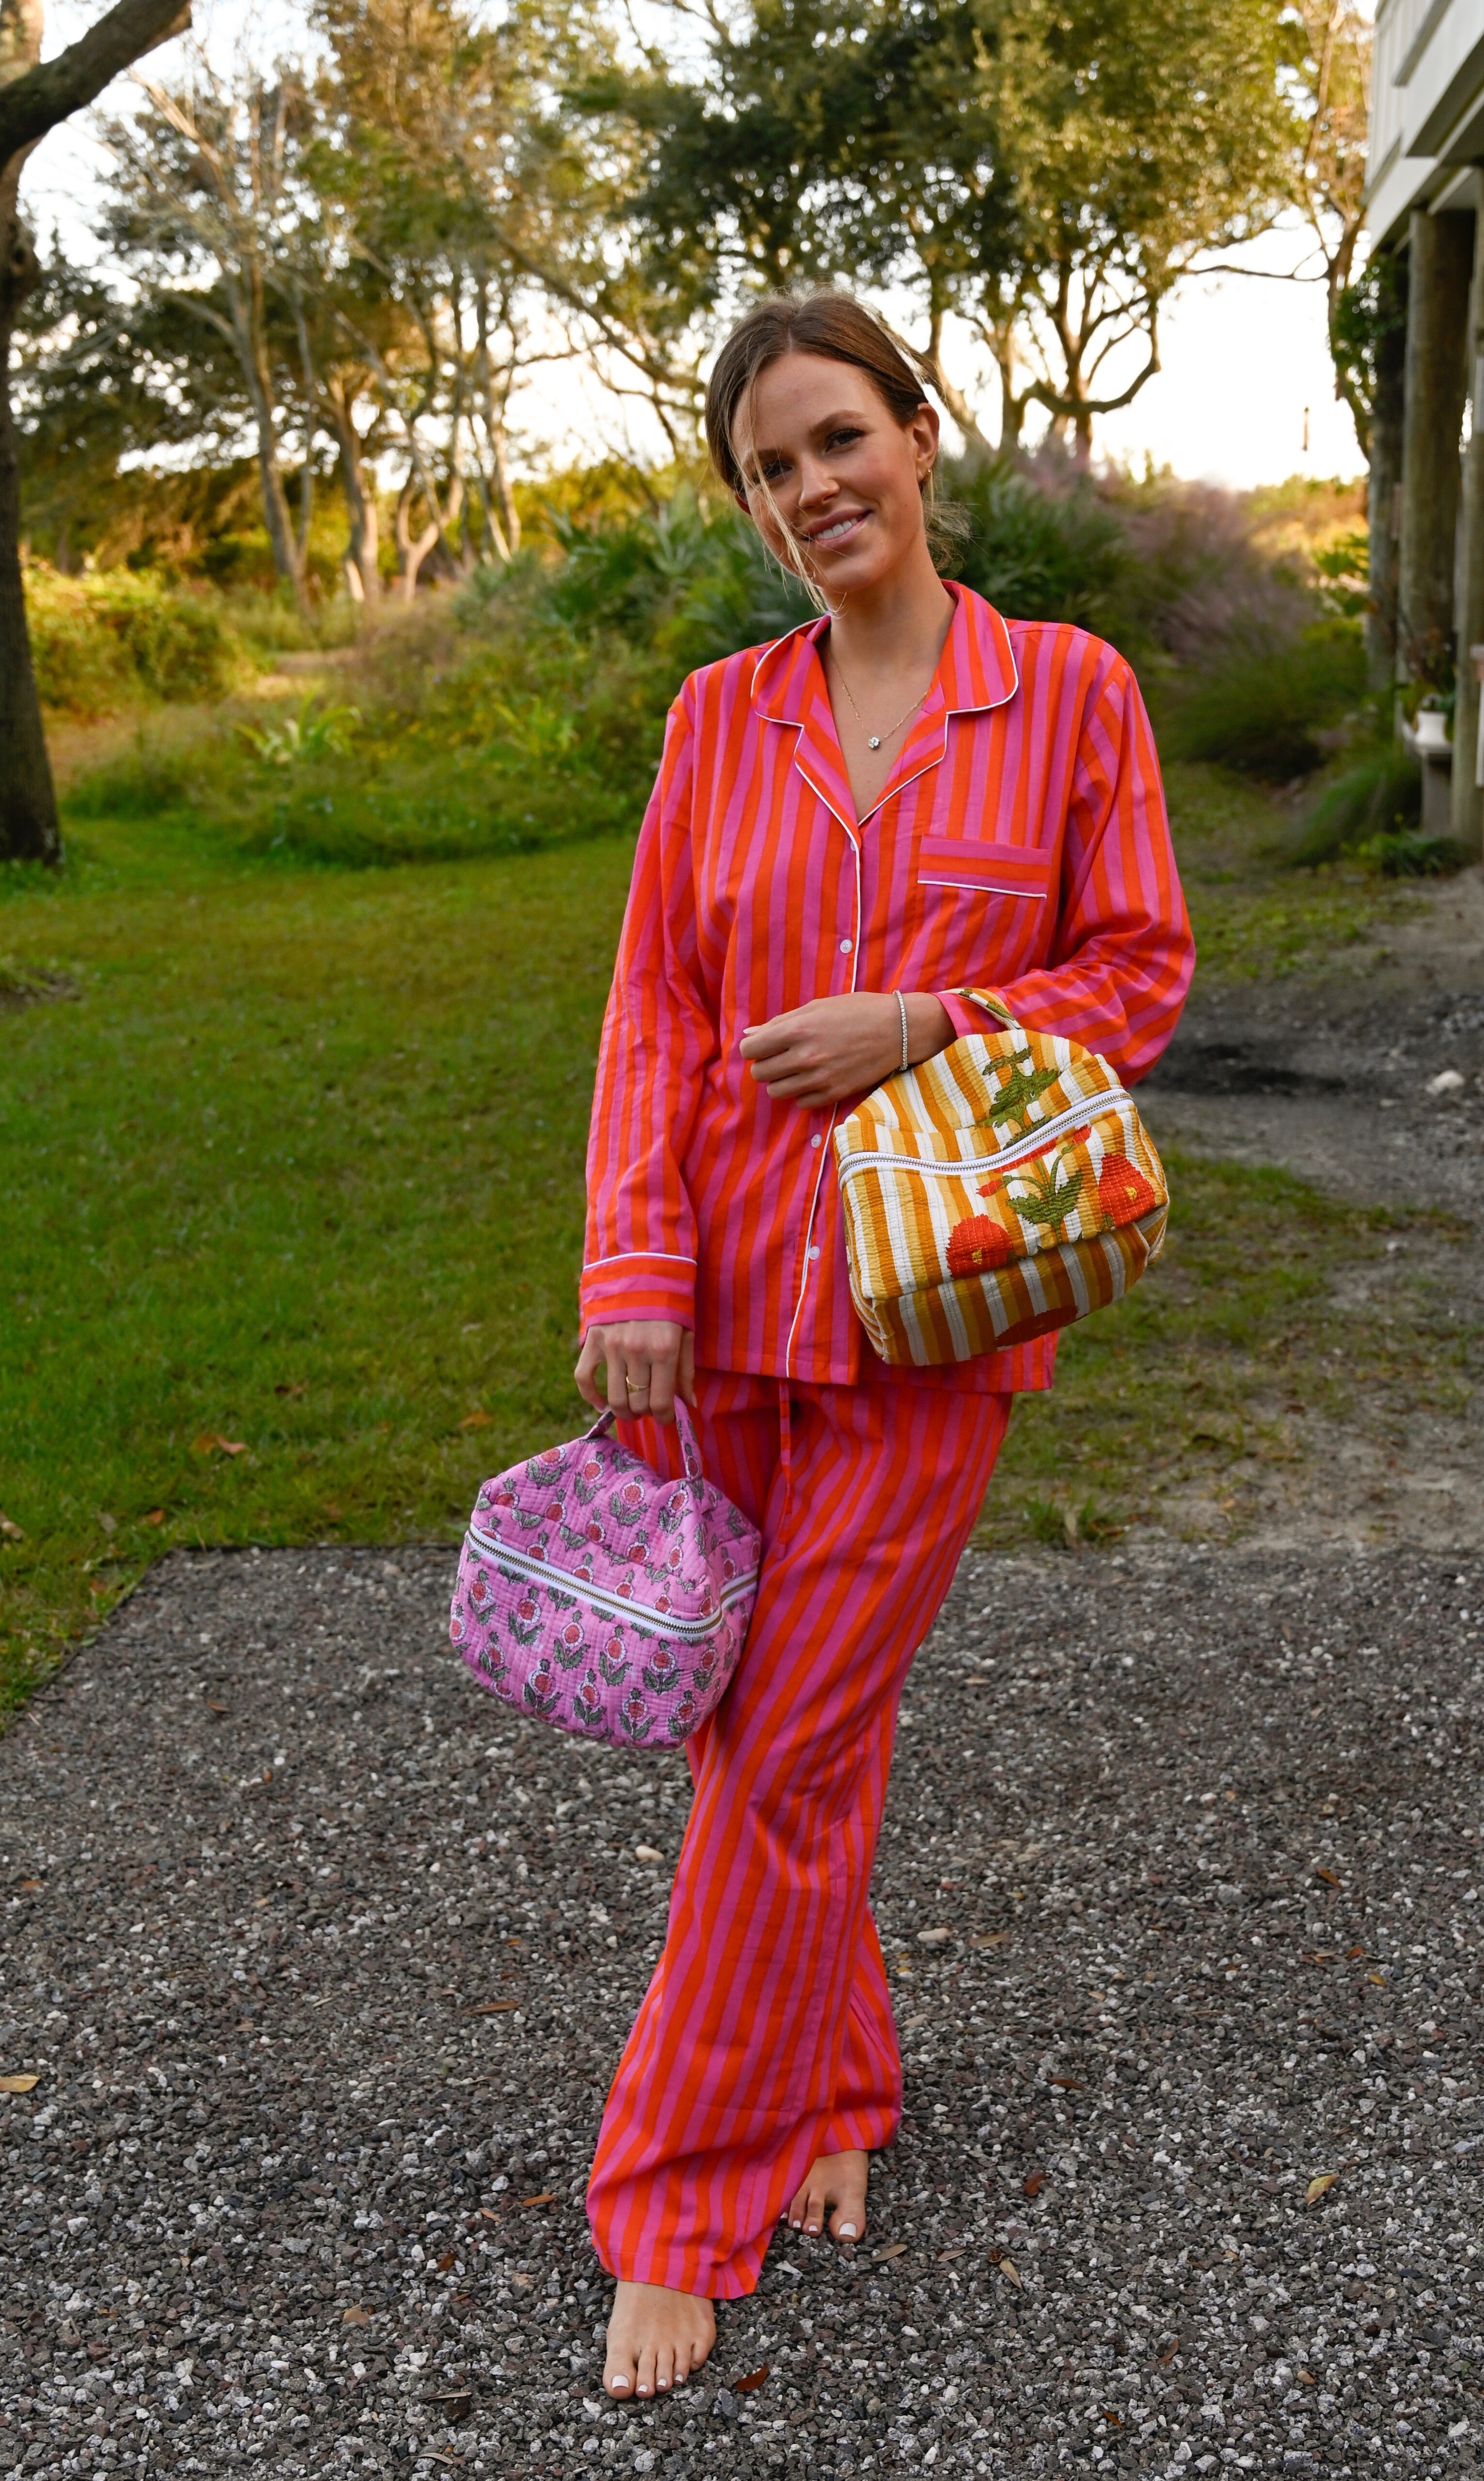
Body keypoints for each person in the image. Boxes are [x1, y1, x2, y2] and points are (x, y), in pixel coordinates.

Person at [573, 291, 1193, 2404]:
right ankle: (833, 2083)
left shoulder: (1069, 695)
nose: (811, 487)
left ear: (922, 440)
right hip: (724, 1299)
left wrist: (937, 1021)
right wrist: (631, 1277)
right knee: (753, 1732)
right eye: (768, 466)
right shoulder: (715, 718)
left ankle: (674, 2191)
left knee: (786, 1737)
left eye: (840, 438)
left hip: (933, 1307)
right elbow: (654, 1008)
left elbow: (1140, 972)